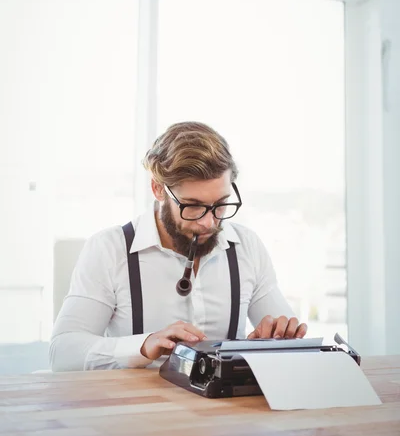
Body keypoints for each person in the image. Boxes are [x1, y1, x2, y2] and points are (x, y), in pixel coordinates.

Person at [50, 122, 307, 371]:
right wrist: (142, 346)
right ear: (158, 189)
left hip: (226, 413)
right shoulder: (108, 249)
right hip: (140, 410)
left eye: (220, 204)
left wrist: (276, 339)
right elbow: (63, 353)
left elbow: (288, 339)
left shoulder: (247, 247)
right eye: (193, 205)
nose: (209, 222)